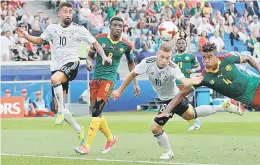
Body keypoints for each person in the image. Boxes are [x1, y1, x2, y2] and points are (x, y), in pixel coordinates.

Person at [111, 42, 242, 160]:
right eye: (162, 57)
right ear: (157, 54)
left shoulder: (172, 67)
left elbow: (184, 81)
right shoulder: (147, 62)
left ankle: (168, 152)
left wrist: (192, 81)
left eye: (167, 58)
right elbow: (132, 74)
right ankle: (222, 107)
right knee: (191, 115)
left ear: (170, 57)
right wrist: (119, 90)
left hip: (173, 99)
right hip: (166, 99)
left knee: (155, 128)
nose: (164, 61)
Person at [15, 2, 111, 145]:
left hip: (72, 64)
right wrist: (26, 35)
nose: (68, 14)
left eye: (70, 12)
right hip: (57, 66)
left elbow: (95, 43)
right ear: (59, 13)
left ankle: (61, 111)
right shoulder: (52, 28)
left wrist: (103, 57)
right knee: (56, 106)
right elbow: (40, 41)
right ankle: (78, 129)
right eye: (65, 12)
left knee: (55, 80)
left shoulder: (79, 29)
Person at [74, 17, 139, 155]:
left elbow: (131, 65)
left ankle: (86, 146)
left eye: (120, 26)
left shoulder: (126, 45)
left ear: (123, 28)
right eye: (115, 25)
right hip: (95, 79)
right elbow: (90, 55)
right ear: (109, 26)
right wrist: (90, 62)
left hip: (109, 80)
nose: (117, 28)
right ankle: (111, 138)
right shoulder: (100, 38)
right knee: (96, 113)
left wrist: (135, 83)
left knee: (96, 112)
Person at [172, 38, 202, 131]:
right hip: (174, 84)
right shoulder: (173, 57)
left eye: (183, 43)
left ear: (186, 45)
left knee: (185, 104)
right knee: (180, 105)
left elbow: (198, 67)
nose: (181, 45)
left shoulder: (191, 56)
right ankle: (193, 122)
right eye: (179, 43)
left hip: (186, 83)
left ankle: (195, 121)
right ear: (176, 45)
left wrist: (192, 70)